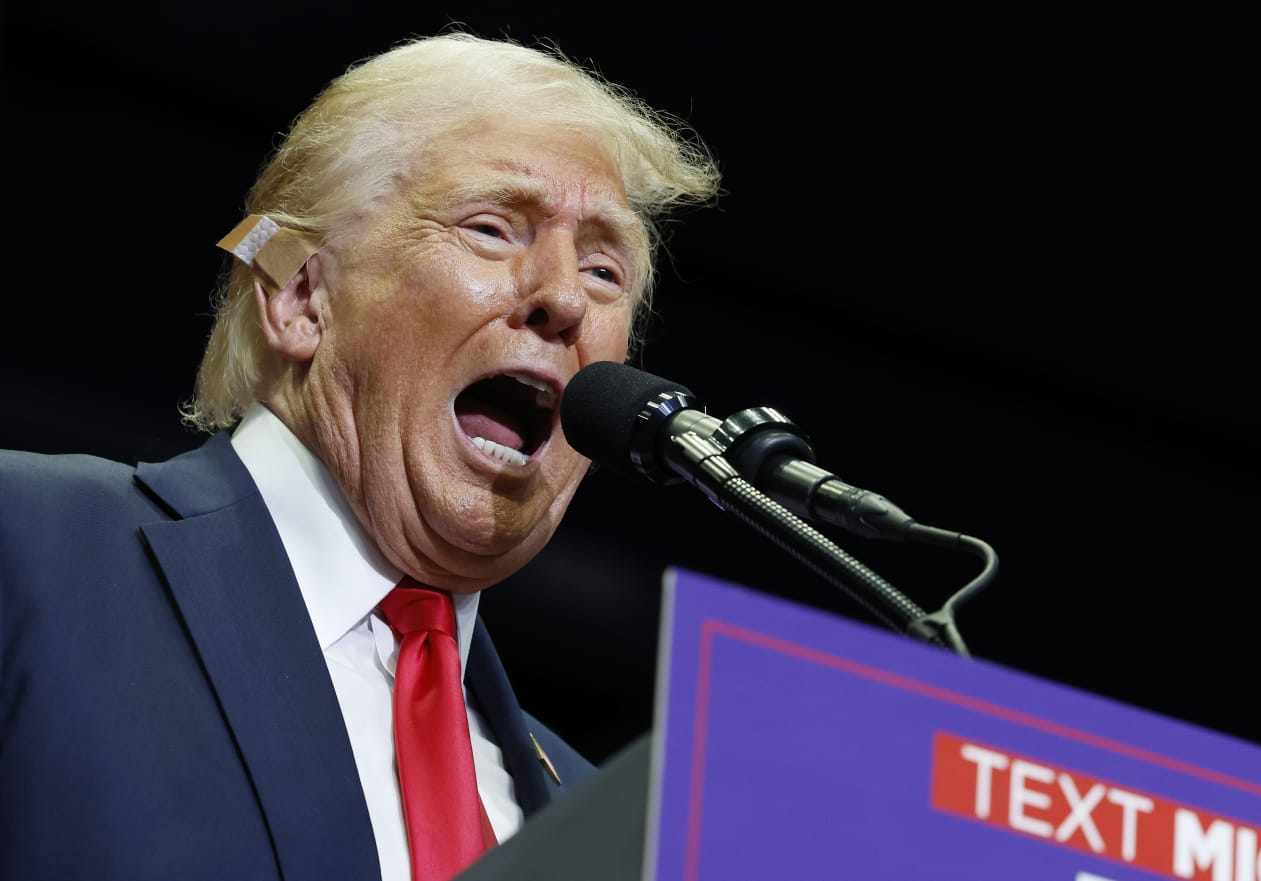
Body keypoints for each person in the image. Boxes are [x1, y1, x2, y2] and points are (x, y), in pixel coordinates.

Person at [0, 30, 721, 881]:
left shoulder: (603, 822)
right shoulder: (30, 546)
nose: (564, 297)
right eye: (491, 229)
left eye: (605, 272)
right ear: (302, 296)